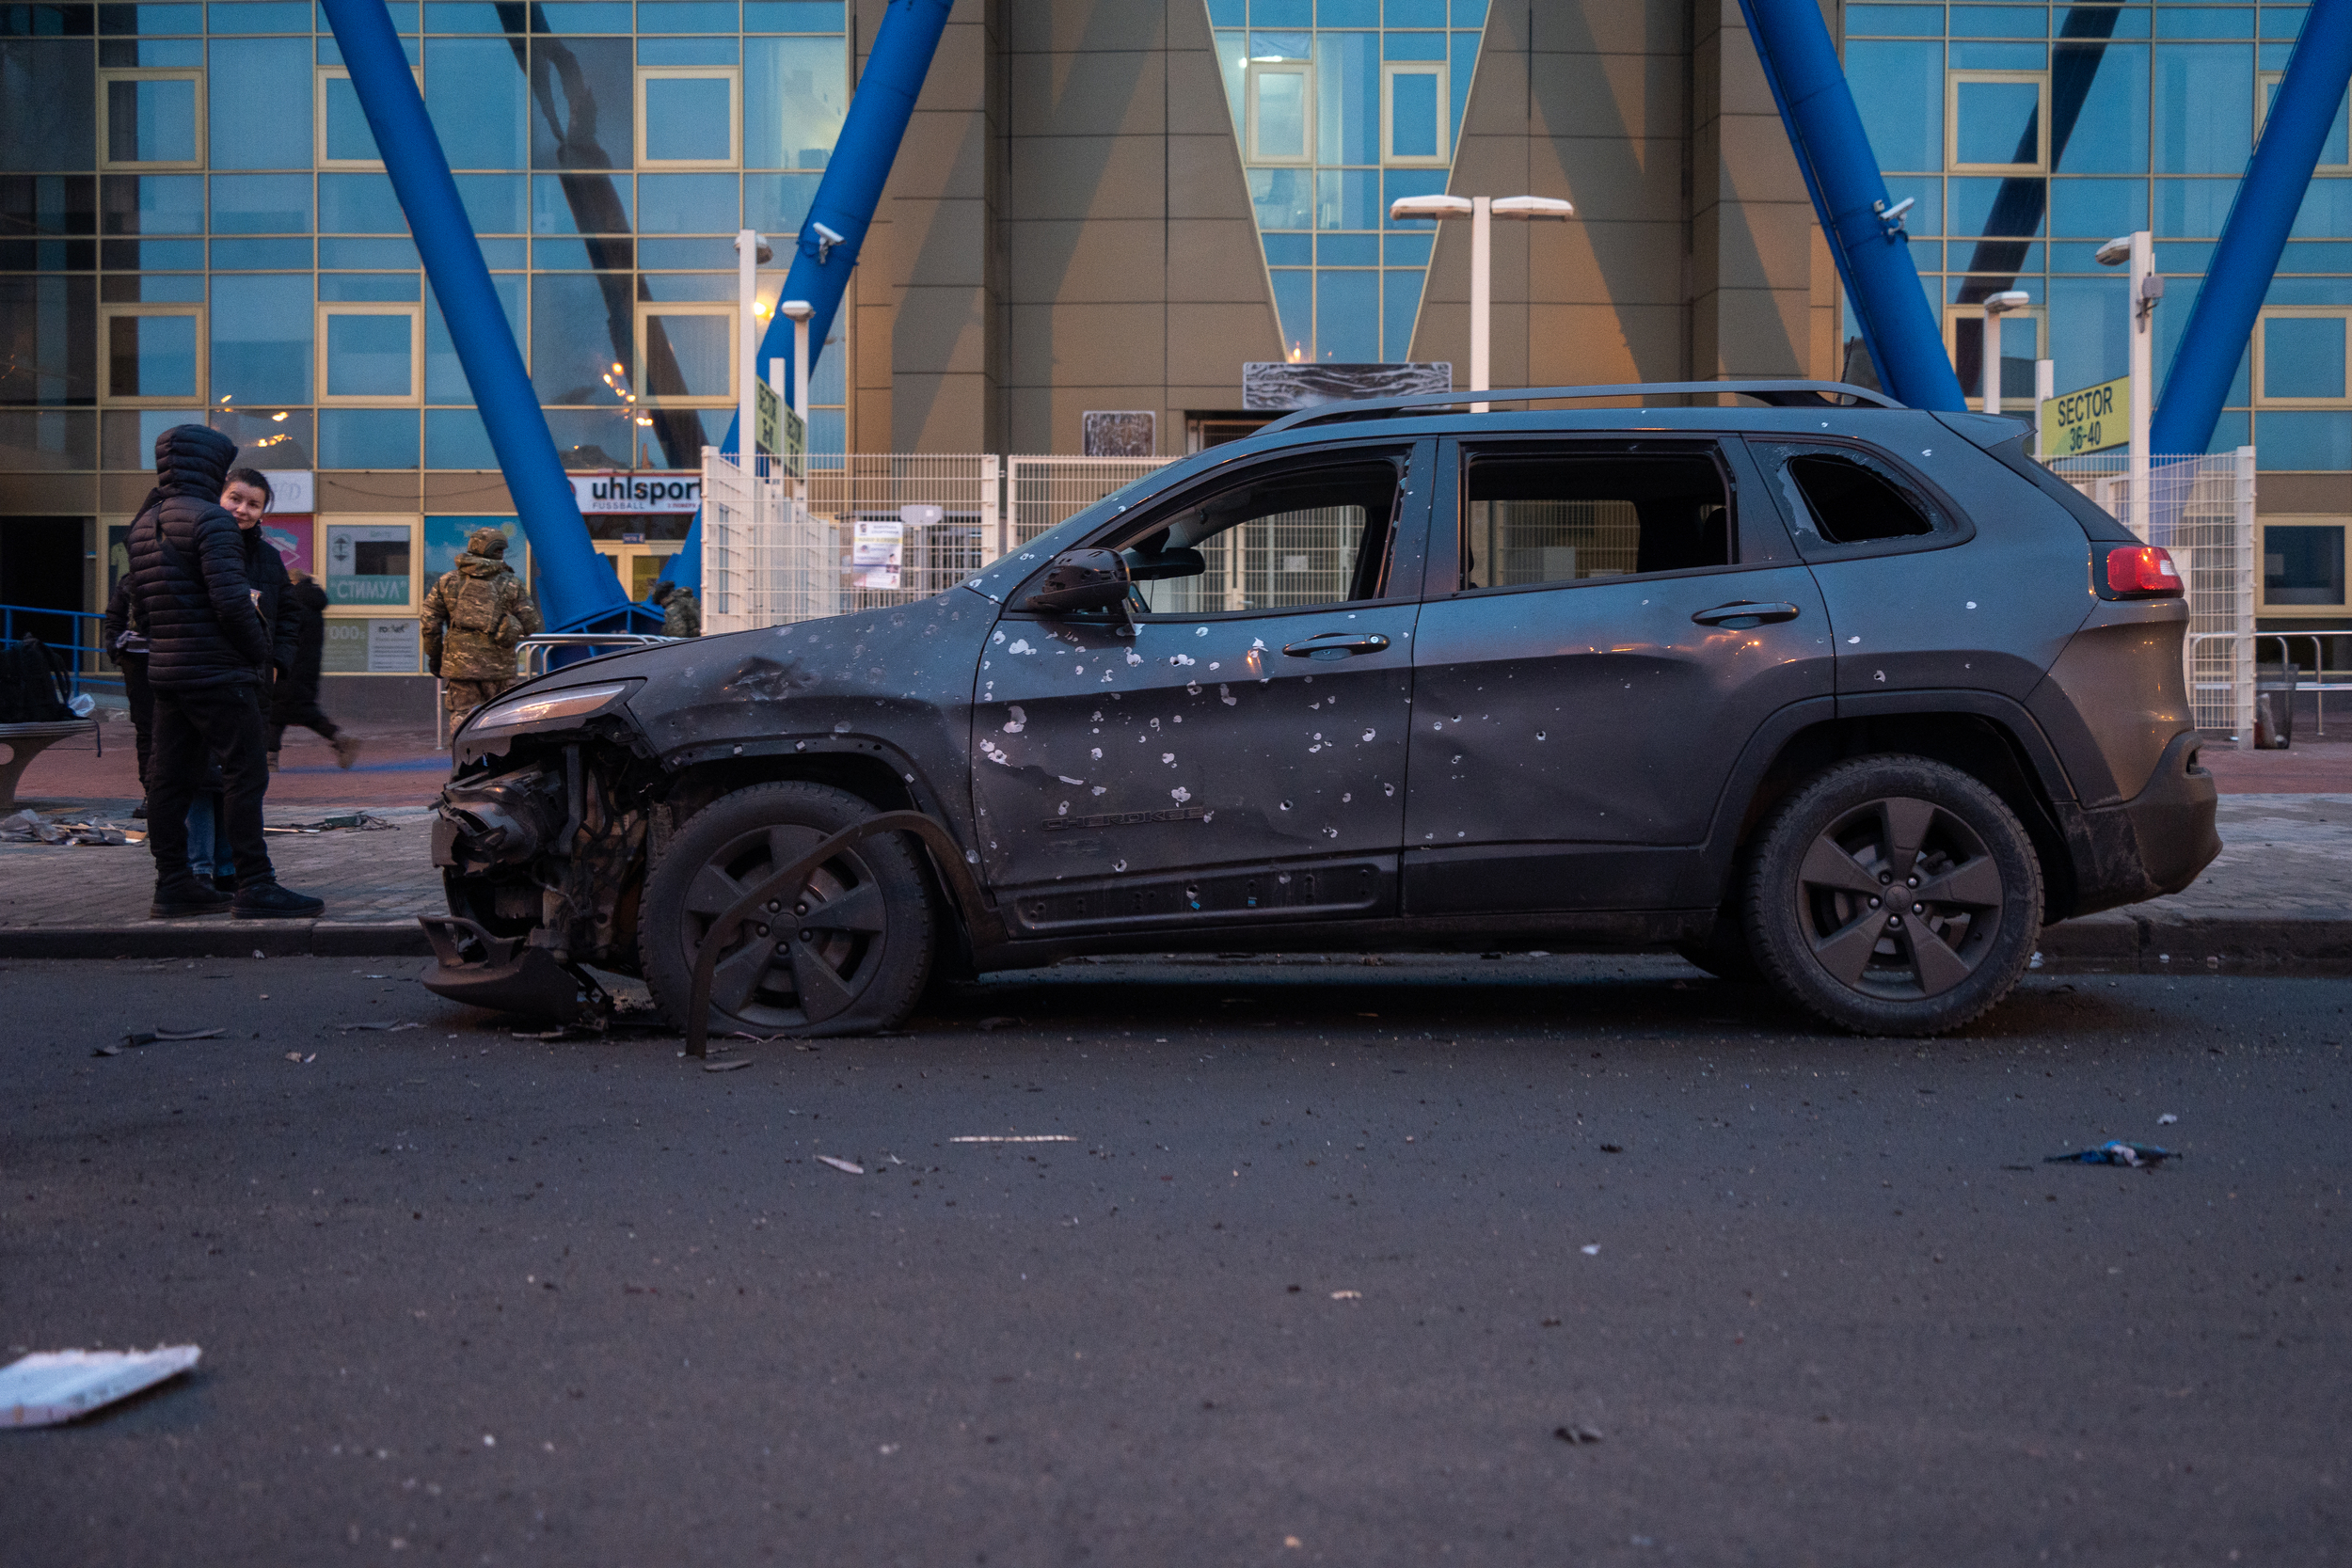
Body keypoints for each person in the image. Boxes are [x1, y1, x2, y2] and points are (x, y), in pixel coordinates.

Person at [124, 426, 323, 921]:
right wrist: (258, 659)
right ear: (210, 467)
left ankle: (173, 884)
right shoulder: (210, 522)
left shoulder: (146, 524)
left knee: (167, 780)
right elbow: (233, 604)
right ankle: (255, 884)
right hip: (219, 674)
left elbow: (142, 610)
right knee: (245, 774)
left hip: (169, 673)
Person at [421, 526, 542, 733]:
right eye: (499, 549)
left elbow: (429, 623)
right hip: (499, 668)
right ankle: (501, 761)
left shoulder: (447, 581)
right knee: (503, 717)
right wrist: (511, 625)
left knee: (462, 716)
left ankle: (464, 762)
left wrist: (434, 656)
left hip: (460, 667)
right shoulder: (511, 583)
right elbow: (532, 624)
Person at [263, 567, 358, 771]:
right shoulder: (312, 605)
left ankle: (270, 760)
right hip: (305, 669)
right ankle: (339, 739)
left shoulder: (295, 606)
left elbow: (284, 637)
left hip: (290, 668)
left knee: (280, 711)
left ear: (292, 584)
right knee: (292, 711)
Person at [100, 573, 152, 817]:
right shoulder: (131, 579)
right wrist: (116, 648)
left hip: (171, 659)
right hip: (138, 660)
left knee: (166, 730)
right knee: (147, 729)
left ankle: (162, 793)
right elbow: (114, 616)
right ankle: (152, 792)